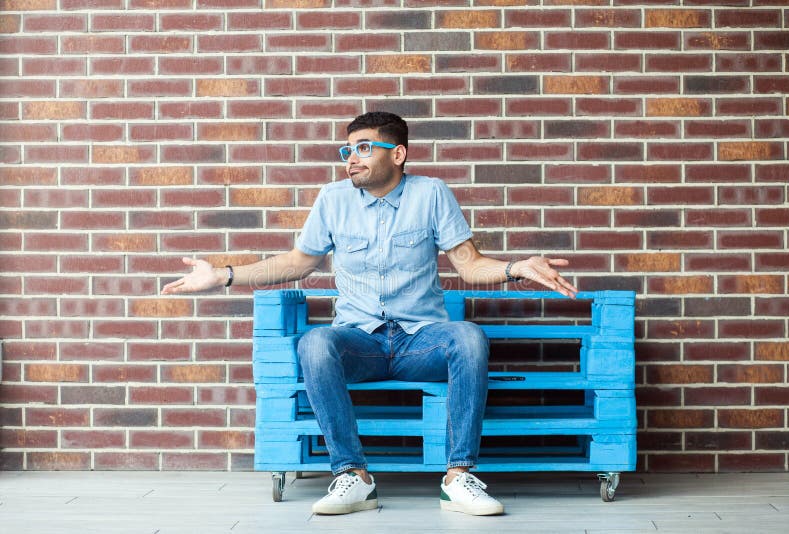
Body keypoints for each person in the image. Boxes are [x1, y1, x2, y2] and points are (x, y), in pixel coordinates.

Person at [161, 111, 578, 516]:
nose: (352, 159)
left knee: (468, 336)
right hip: (360, 342)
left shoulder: (431, 193)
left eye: (363, 147)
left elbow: (469, 264)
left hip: (421, 341)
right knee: (316, 341)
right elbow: (297, 263)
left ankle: (459, 477)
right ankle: (352, 476)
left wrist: (515, 268)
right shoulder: (333, 199)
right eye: (347, 151)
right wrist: (223, 275)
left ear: (397, 154)